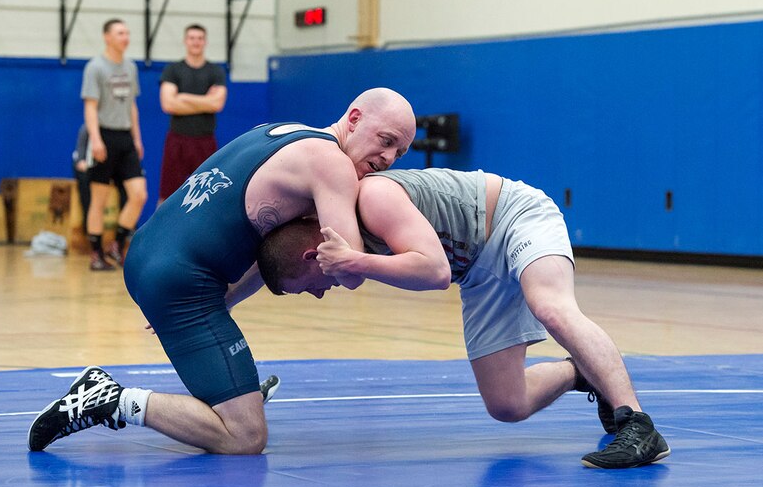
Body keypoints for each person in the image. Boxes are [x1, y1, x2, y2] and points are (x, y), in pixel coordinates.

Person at [27, 87, 416, 455]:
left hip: (153, 253)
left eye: (400, 152)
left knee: (234, 397)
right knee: (245, 437)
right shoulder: (333, 165)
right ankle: (110, 399)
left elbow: (269, 255)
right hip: (180, 280)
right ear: (354, 118)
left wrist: (228, 299)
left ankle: (229, 390)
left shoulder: (285, 131)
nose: (388, 158)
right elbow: (348, 271)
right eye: (385, 140)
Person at [254, 168, 670, 469]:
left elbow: (434, 274)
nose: (318, 292)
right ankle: (581, 371)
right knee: (508, 405)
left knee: (551, 305)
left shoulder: (372, 198)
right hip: (476, 270)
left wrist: (354, 260)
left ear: (312, 255)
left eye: (307, 286)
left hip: (513, 217)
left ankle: (638, 424)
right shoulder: (341, 234)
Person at [81, 18, 148, 271]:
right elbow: (90, 107)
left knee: (139, 195)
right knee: (99, 200)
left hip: (125, 139)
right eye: (120, 33)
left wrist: (137, 138)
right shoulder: (95, 67)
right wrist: (96, 139)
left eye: (128, 33)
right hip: (104, 136)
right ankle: (96, 253)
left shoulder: (130, 67)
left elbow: (131, 105)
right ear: (107, 37)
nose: (125, 37)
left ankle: (117, 244)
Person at [158, 23, 228, 204]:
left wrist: (182, 97)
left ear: (205, 42)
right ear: (185, 41)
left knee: (208, 197)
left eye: (199, 38)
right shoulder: (172, 70)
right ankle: (163, 232)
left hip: (205, 141)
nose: (195, 42)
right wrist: (205, 101)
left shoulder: (215, 71)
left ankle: (205, 233)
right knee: (168, 197)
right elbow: (168, 104)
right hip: (177, 141)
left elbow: (217, 104)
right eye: (192, 38)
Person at [72, 124, 128, 235]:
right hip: (93, 170)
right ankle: (88, 226)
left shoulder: (119, 132)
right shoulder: (87, 129)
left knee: (129, 183)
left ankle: (125, 230)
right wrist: (83, 163)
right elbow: (80, 159)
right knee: (85, 180)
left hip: (111, 168)